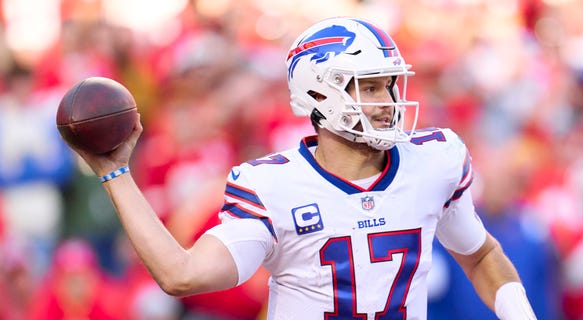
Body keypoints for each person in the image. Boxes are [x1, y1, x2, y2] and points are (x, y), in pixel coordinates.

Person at [64, 17, 537, 320]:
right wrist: (115, 172)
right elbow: (182, 275)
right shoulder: (271, 186)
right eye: (367, 87)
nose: (387, 101)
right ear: (316, 94)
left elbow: (479, 254)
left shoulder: (434, 160)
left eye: (388, 85)